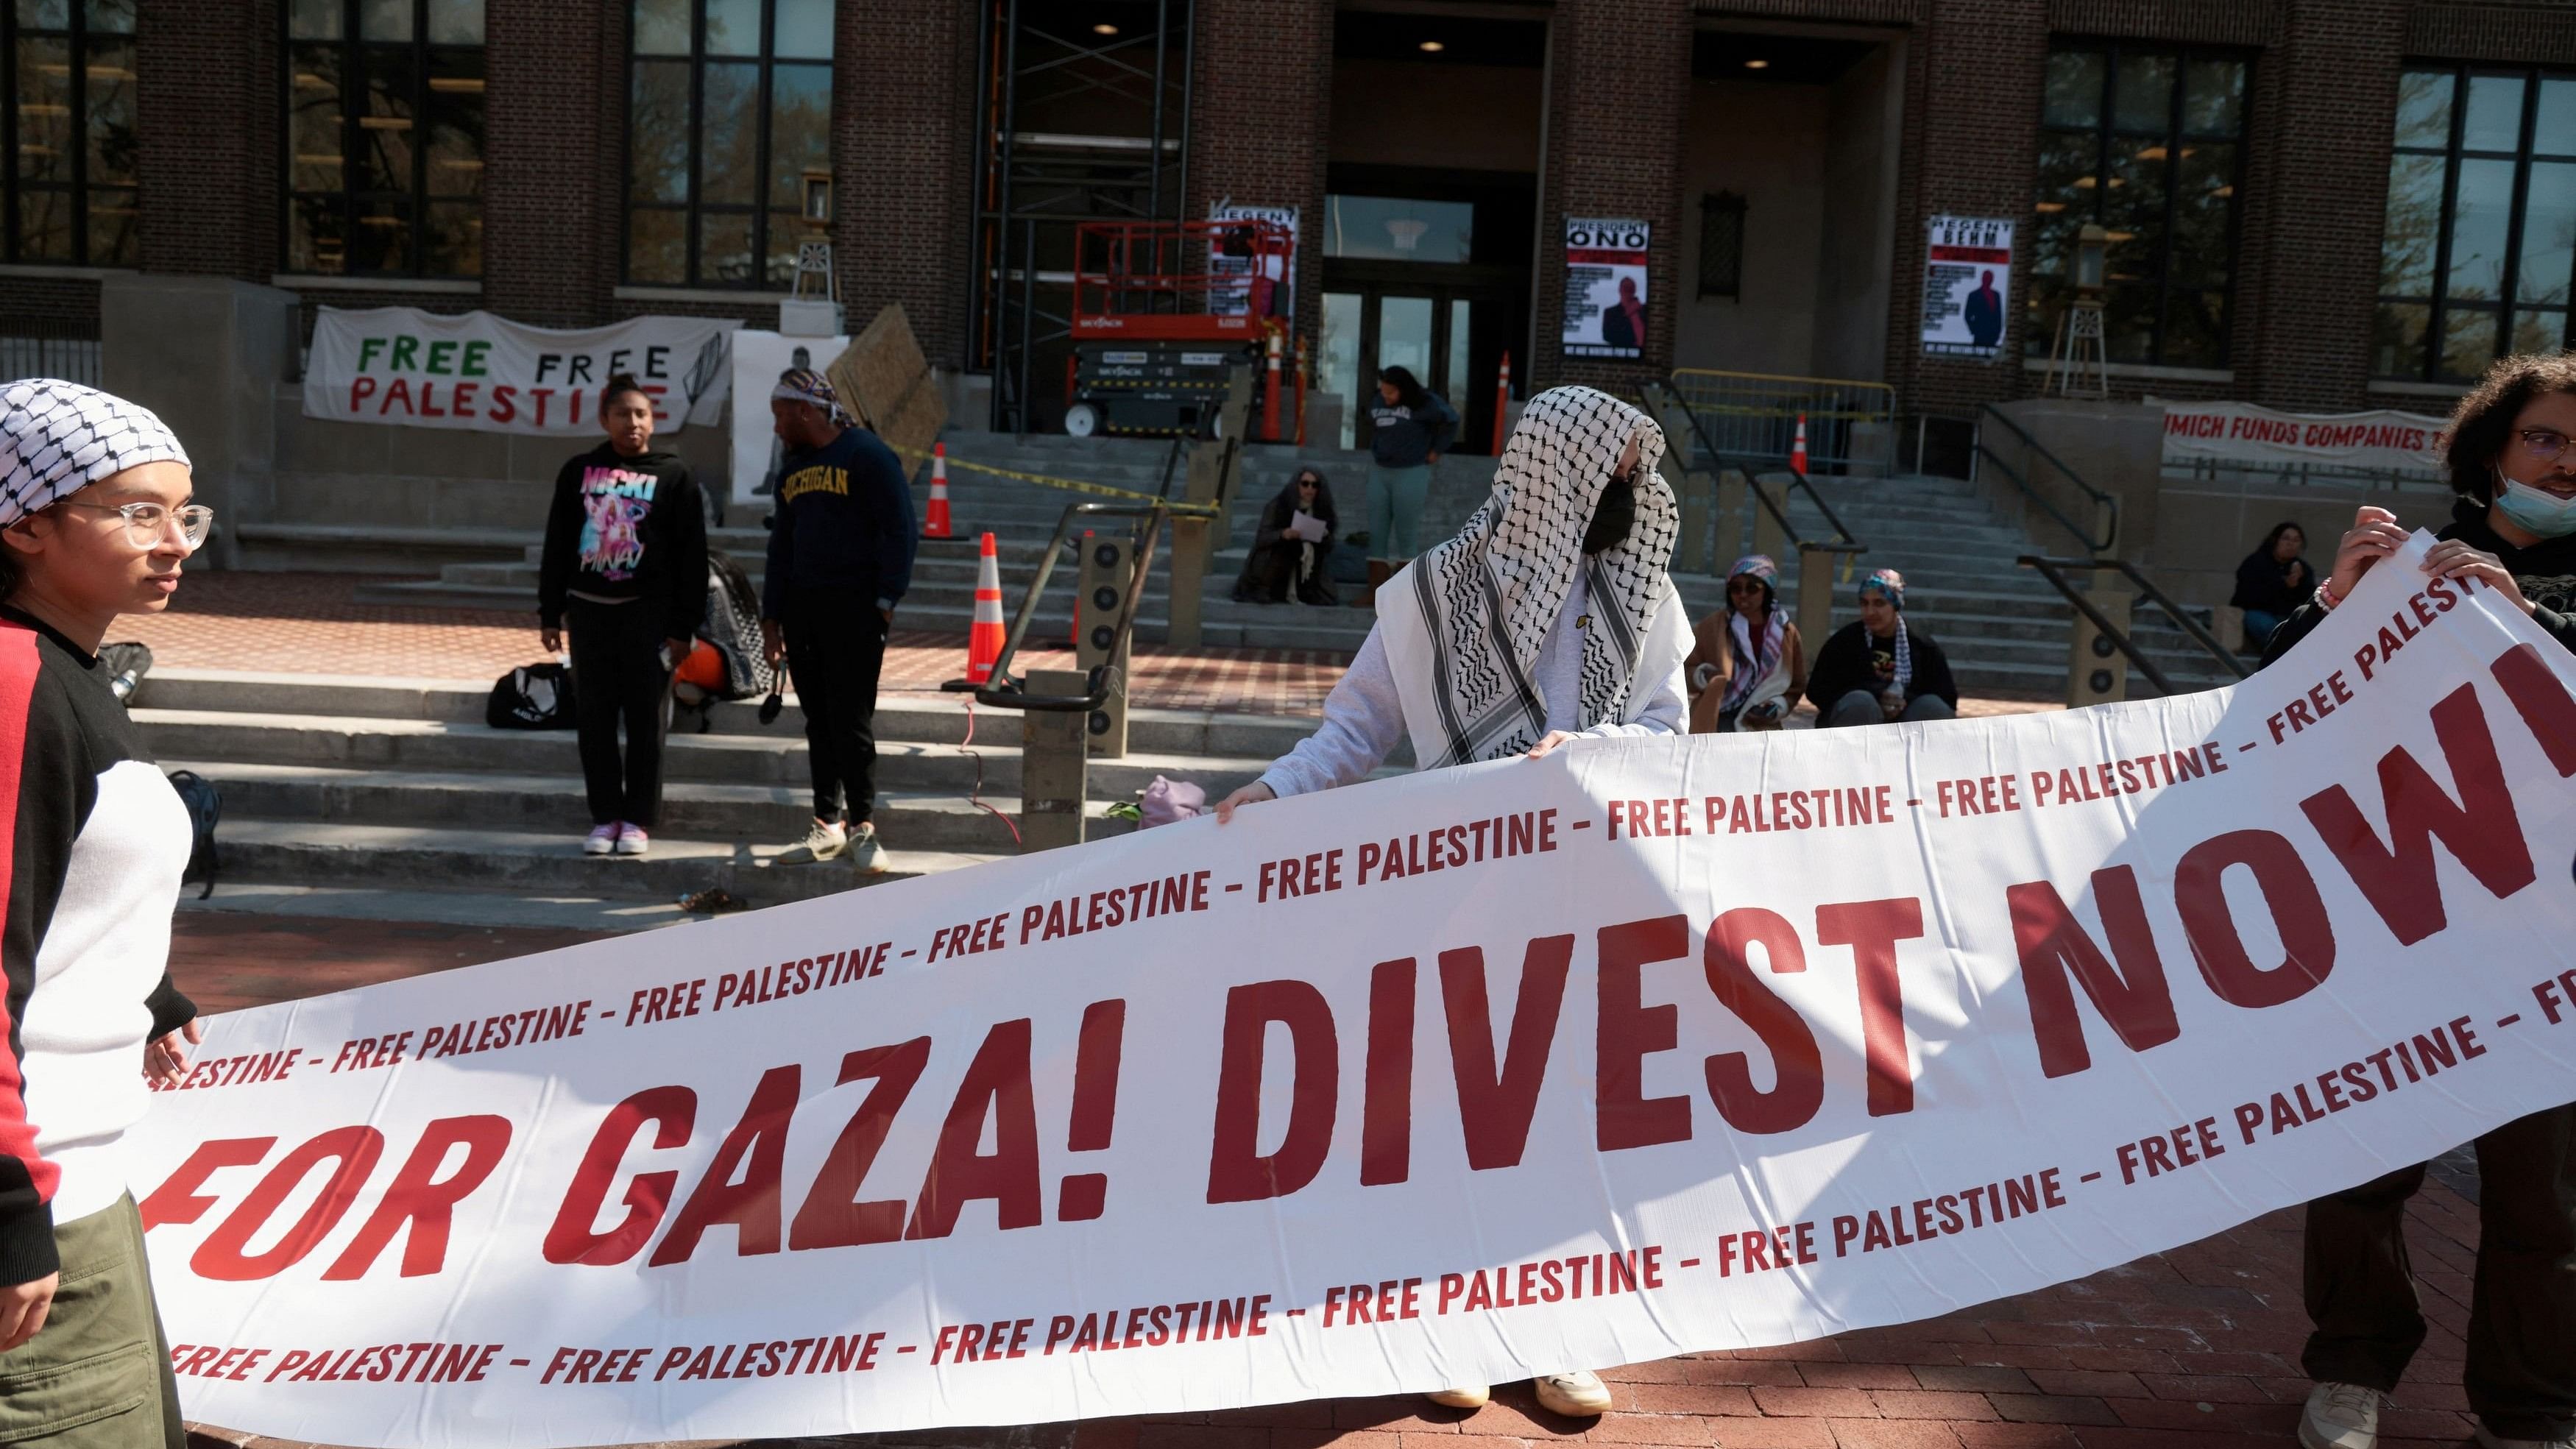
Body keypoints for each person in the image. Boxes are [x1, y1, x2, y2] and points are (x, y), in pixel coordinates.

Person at [1215, 385, 1688, 1421]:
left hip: (1586, 892)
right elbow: (1354, 733)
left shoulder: (1647, 596)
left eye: (1634, 482)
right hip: (1458, 897)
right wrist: (1273, 791)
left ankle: (1559, 1326)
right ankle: (1451, 1319)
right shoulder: (1433, 595)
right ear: (1556, 476)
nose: (1630, 497)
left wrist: (1598, 754)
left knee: (1574, 1114)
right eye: (1612, 478)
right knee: (1457, 1109)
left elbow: (1671, 734)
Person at [2262, 353, 2576, 1449]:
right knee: (2364, 1163)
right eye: (2547, 439)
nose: (2568, 463)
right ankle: (2352, 1371)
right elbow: (2268, 719)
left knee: (2546, 1201)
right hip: (2399, 923)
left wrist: (2530, 617)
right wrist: (2339, 603)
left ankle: (2533, 1408)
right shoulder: (2408, 566)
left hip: (2552, 943)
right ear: (2494, 451)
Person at [0, 378, 211, 1448]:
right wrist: (8, 1214)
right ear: (26, 522)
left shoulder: (67, 669)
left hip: (81, 1183)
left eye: (186, 512)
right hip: (41, 1209)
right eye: (136, 510)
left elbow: (52, 879)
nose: (175, 539)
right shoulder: (12, 677)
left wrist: (147, 986)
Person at [538, 374, 708, 858]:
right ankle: (604, 817)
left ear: (653, 421)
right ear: (604, 419)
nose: (632, 422)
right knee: (593, 720)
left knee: (645, 721)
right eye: (621, 414)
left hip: (648, 618)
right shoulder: (579, 471)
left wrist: (682, 626)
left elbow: (691, 557)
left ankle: (637, 820)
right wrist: (551, 611)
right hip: (590, 616)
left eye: (641, 414)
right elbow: (558, 543)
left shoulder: (674, 475)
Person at [761, 368, 917, 874]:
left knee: (851, 720)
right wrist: (771, 618)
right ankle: (826, 824)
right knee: (818, 721)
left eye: (781, 416)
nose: (777, 428)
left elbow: (900, 530)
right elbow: (781, 547)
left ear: (805, 411)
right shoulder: (792, 472)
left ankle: (863, 825)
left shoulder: (867, 455)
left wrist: (886, 598)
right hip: (804, 611)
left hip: (855, 609)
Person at [1805, 568, 1958, 726]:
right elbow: (1817, 691)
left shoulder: (1922, 646)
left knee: (1932, 706)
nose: (1870, 612)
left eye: (1879, 603)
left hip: (1907, 721)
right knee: (1861, 702)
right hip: (1858, 723)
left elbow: (1947, 698)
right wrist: (1875, 695)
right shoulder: (1844, 642)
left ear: (1896, 605)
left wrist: (1902, 701)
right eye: (1865, 603)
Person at [1362, 365, 1458, 603]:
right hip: (1381, 470)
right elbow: (1373, 424)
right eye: (1384, 392)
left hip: (1411, 471)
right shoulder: (1378, 401)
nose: (1386, 397)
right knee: (1377, 531)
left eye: (1392, 393)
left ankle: (1405, 598)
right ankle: (1375, 591)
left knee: (1407, 533)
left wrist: (1436, 450)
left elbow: (1452, 420)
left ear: (1404, 390)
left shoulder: (1426, 402)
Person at [1686, 553, 1806, 732]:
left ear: (1766, 590)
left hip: (1761, 724)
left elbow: (1796, 686)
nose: (1743, 595)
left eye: (1752, 588)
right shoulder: (1713, 626)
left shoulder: (1787, 632)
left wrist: (1774, 708)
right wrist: (1705, 676)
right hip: (1715, 717)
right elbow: (1684, 669)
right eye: (1736, 588)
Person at [1232, 466, 1338, 606]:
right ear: (1297, 485)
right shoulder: (1279, 506)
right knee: (1287, 546)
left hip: (1306, 565)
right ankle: (1263, 588)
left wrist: (1324, 535)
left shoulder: (1323, 510)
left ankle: (1307, 591)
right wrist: (1283, 534)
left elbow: (1330, 547)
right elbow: (1262, 538)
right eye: (1305, 484)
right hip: (1276, 560)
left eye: (1315, 485)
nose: (1310, 489)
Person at [2230, 520, 2312, 654]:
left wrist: (2299, 583)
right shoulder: (2256, 562)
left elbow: (2308, 598)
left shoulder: (2302, 568)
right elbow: (2247, 595)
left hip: (2286, 616)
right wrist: (2282, 584)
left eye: (2296, 540)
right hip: (2257, 614)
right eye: (2286, 539)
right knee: (2267, 625)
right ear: (2275, 541)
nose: (2290, 544)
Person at [1601, 274, 1649, 353]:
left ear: (1634, 290)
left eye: (1631, 287)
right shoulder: (1610, 312)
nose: (1628, 290)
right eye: (1625, 287)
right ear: (1620, 289)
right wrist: (1628, 314)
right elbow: (1607, 336)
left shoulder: (1644, 310)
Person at [1964, 269, 2003, 350]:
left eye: (1990, 278)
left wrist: (1998, 332)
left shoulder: (1996, 295)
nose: (1988, 280)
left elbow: (1999, 315)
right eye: (1986, 278)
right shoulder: (1974, 295)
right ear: (1982, 279)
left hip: (1993, 334)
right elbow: (1967, 314)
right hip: (1979, 334)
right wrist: (1974, 329)